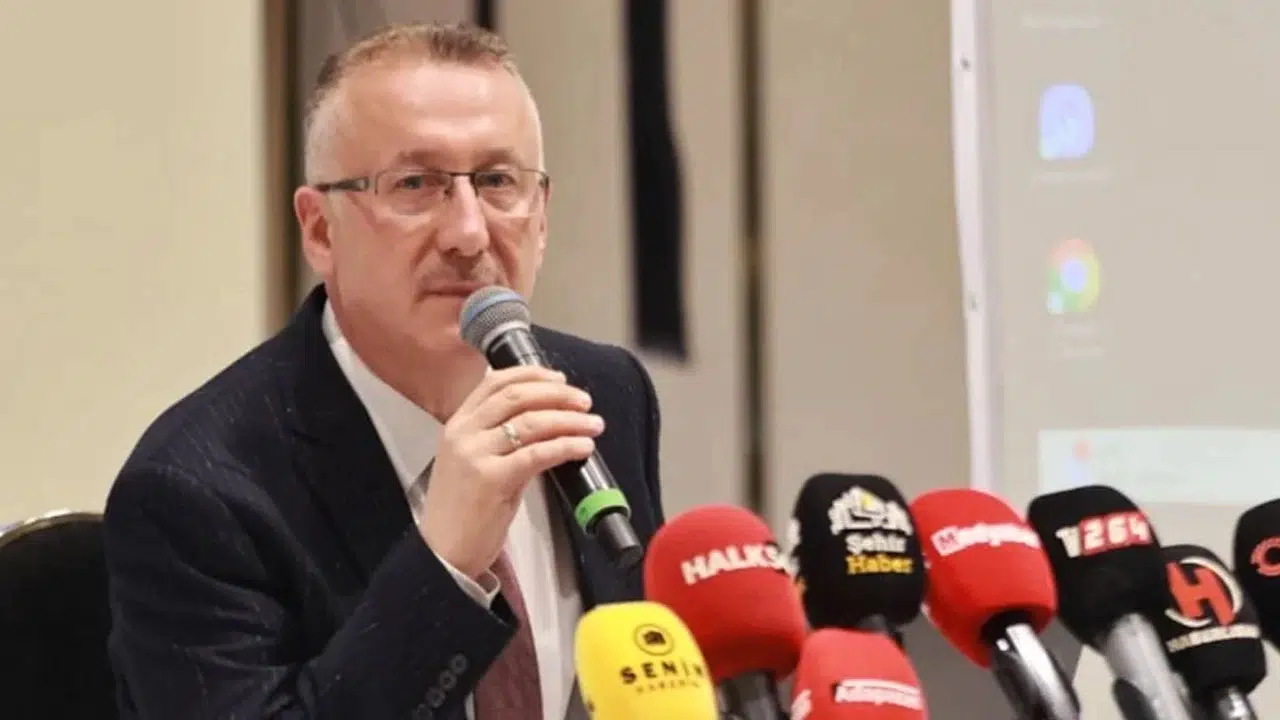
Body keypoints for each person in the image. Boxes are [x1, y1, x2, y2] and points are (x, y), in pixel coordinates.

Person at [102, 22, 665, 720]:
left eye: (497, 181)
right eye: (416, 184)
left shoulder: (604, 393)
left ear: (542, 216)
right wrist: (444, 566)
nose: (469, 232)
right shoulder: (196, 491)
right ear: (320, 230)